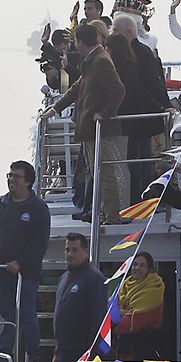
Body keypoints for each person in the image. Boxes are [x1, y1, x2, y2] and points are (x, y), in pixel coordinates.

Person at [0, 160, 51, 362]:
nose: (11, 180)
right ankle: (3, 356)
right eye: (9, 176)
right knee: (8, 314)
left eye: (16, 177)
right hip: (2, 271)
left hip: (25, 273)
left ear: (27, 181)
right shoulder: (1, 204)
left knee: (27, 315)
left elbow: (40, 243)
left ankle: (36, 359)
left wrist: (21, 262)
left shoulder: (38, 209)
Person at [52, 22, 125, 224]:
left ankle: (111, 216)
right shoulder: (92, 60)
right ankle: (103, 212)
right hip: (89, 130)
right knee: (97, 172)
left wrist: (105, 114)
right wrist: (56, 107)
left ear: (81, 42)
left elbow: (118, 90)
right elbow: (76, 88)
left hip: (98, 128)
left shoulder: (101, 61)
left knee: (104, 172)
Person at [109, 14, 170, 204]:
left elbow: (151, 83)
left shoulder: (140, 52)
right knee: (136, 159)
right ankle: (139, 198)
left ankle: (141, 199)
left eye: (116, 31)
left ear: (128, 32)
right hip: (135, 116)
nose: (112, 34)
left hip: (141, 116)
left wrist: (163, 106)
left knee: (140, 159)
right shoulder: (129, 51)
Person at [44, 233, 108, 362]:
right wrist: (58, 351)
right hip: (65, 352)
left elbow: (99, 320)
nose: (70, 254)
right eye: (67, 250)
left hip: (83, 354)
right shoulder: (64, 278)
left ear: (85, 252)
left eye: (75, 250)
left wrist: (94, 357)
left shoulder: (94, 279)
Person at [114, 251, 165, 362]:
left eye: (142, 265)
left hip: (144, 351)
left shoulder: (154, 287)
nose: (137, 268)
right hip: (125, 349)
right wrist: (123, 312)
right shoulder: (125, 284)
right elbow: (113, 309)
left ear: (149, 269)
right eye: (135, 264)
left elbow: (128, 323)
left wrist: (119, 314)